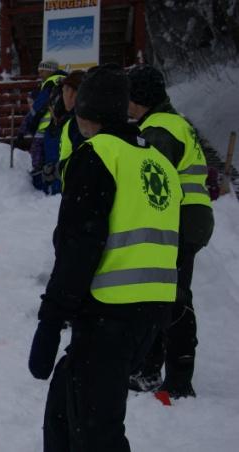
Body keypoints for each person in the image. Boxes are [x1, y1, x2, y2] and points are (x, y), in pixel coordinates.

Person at [28, 64, 179, 452]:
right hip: (152, 311)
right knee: (66, 401)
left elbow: (78, 247)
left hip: (111, 313)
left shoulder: (96, 154)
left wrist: (49, 321)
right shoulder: (155, 160)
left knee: (98, 431)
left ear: (85, 113)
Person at [126, 64, 215, 398]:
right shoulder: (171, 122)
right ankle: (157, 369)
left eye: (131, 97)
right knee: (167, 296)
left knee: (173, 299)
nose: (127, 104)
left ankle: (176, 378)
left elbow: (149, 181)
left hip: (182, 218)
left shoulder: (161, 129)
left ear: (142, 98)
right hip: (191, 217)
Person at [19, 60, 66, 191]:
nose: (40, 73)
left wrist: (23, 129)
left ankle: (41, 187)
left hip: (47, 130)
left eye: (43, 70)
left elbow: (37, 108)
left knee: (40, 160)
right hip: (62, 128)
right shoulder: (64, 83)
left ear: (51, 70)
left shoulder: (51, 83)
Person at [53, 70, 85, 186]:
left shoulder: (78, 123)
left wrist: (59, 168)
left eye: (64, 91)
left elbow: (82, 163)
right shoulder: (79, 119)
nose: (63, 96)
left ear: (72, 92)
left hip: (78, 193)